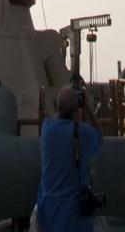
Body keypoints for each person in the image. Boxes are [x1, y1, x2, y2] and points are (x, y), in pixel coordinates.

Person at [36, 85, 103, 231]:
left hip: (48, 210)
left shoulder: (46, 128)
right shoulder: (83, 132)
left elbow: (56, 119)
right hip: (73, 215)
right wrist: (87, 108)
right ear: (77, 107)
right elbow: (98, 135)